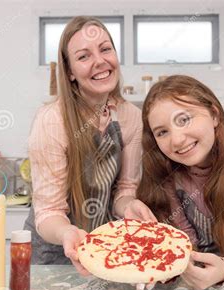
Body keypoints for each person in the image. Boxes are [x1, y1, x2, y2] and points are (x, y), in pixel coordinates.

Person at [125, 75, 224, 290]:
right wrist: (167, 264)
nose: (177, 140)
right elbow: (188, 242)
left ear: (214, 115)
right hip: (199, 289)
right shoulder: (170, 172)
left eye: (184, 120)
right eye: (162, 132)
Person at [24, 16, 142, 275]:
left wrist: (129, 206)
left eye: (105, 49)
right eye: (84, 56)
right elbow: (49, 211)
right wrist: (68, 232)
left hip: (105, 248)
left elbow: (125, 189)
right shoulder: (52, 121)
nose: (100, 61)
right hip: (53, 252)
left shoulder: (131, 116)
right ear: (69, 72)